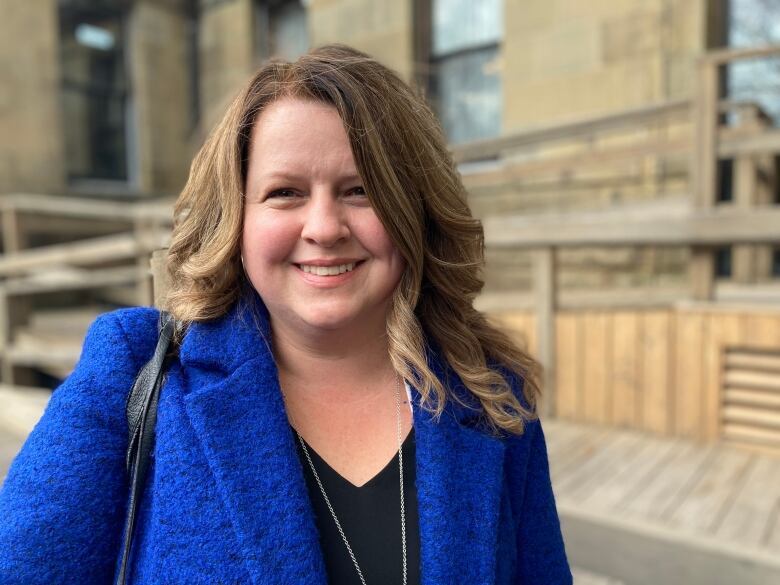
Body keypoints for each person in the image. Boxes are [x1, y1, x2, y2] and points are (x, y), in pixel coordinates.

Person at [0, 44, 572, 584]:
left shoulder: (493, 398)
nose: (324, 228)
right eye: (285, 193)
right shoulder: (133, 371)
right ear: (236, 221)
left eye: (359, 190)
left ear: (413, 211)